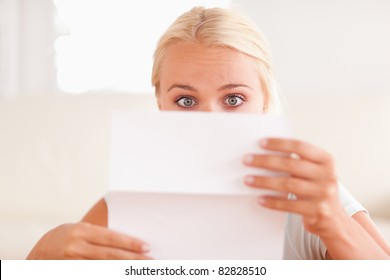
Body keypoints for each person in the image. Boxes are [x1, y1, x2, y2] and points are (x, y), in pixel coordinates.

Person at [27, 6, 390, 260]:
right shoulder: (129, 204)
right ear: (160, 105)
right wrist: (40, 256)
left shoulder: (311, 196)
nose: (209, 121)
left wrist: (335, 224)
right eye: (186, 101)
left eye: (233, 99)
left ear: (264, 101)